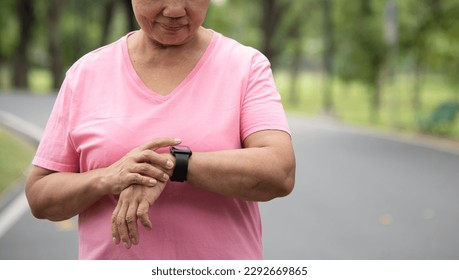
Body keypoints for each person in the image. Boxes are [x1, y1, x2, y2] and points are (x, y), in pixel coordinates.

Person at [25, 0, 296, 260]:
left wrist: (171, 166)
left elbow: (279, 171)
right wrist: (109, 177)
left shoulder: (245, 66)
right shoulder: (86, 73)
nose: (175, 9)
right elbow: (40, 195)